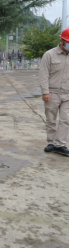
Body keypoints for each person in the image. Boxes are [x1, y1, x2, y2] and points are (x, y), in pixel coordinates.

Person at [39, 27, 69, 157]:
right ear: (62, 40)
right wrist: (45, 92)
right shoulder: (49, 55)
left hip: (67, 94)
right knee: (51, 119)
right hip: (52, 93)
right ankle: (51, 143)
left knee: (65, 119)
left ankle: (60, 144)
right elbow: (43, 75)